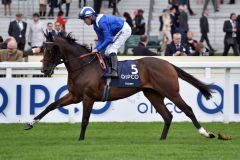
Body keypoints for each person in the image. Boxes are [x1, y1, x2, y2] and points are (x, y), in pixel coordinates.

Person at [79, 6, 132, 77]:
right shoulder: (95, 25)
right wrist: (96, 48)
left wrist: (98, 49)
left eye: (84, 19)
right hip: (117, 31)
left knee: (111, 50)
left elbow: (109, 38)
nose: (84, 22)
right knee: (106, 51)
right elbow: (101, 39)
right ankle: (109, 69)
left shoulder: (101, 22)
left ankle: (114, 71)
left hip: (124, 30)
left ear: (90, 17)